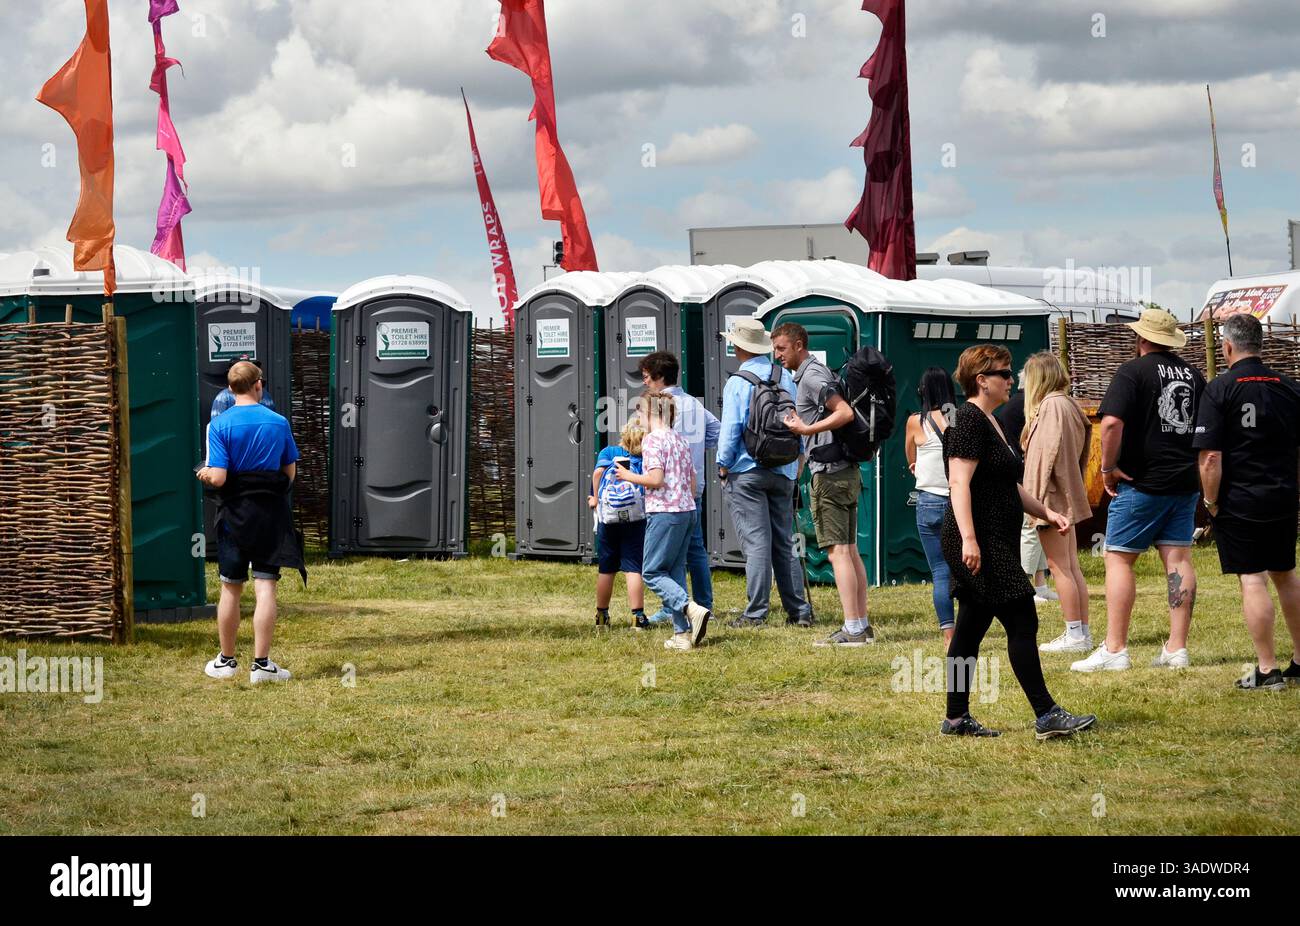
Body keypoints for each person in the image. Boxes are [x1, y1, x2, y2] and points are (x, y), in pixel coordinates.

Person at [940, 344, 1096, 740]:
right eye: (1004, 374)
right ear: (981, 380)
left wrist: (1047, 512)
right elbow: (958, 483)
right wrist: (970, 540)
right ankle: (1046, 715)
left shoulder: (991, 421)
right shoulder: (968, 421)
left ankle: (956, 719)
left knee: (970, 629)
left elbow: (1008, 484)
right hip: (979, 541)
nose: (1012, 381)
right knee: (1023, 617)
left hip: (995, 537)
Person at [1073, 308, 1205, 673]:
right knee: (1178, 560)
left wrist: (1107, 468)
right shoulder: (1194, 375)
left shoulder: (1132, 372)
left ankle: (1115, 648)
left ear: (1142, 338)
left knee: (1119, 558)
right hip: (1184, 482)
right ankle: (1177, 648)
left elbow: (1112, 422)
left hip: (1141, 482)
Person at [1192, 313, 1300, 690]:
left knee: (1252, 578)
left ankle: (1268, 670)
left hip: (1241, 500)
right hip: (1284, 496)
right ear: (1262, 344)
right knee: (1286, 575)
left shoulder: (1220, 389)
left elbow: (1210, 457)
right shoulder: (1289, 386)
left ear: (1226, 347)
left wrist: (1211, 501)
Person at [196, 360, 305, 684]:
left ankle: (227, 662)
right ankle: (262, 665)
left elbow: (218, 477)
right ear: (259, 385)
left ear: (230, 389)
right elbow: (289, 473)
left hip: (234, 514)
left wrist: (205, 474)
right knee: (265, 586)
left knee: (230, 588)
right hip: (270, 513)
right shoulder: (279, 422)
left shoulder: (220, 425)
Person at [772, 322, 872, 646]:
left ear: (799, 345)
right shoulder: (818, 372)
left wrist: (805, 431)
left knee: (837, 552)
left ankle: (853, 628)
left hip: (829, 475)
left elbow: (843, 413)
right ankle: (862, 624)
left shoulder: (812, 377)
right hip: (845, 472)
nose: (778, 356)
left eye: (782, 349)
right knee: (850, 551)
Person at [716, 318, 813, 628]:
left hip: (748, 470)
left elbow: (731, 429)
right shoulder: (785, 376)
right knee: (784, 542)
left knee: (757, 542)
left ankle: (756, 613)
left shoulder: (738, 381)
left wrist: (722, 463)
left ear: (739, 345)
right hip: (783, 469)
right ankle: (798, 611)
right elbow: (797, 418)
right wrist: (797, 460)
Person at [615, 391, 711, 651]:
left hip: (664, 513)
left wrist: (627, 476)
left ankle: (690, 608)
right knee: (675, 571)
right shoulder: (680, 439)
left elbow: (656, 479)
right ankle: (682, 634)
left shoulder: (652, 441)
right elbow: (692, 480)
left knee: (652, 572)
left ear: (651, 413)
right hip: (687, 511)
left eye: (639, 412)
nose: (637, 418)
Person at [638, 351, 719, 626]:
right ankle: (702, 605)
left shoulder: (661, 406)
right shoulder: (695, 404)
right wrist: (698, 450)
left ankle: (680, 606)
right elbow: (716, 431)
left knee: (666, 559)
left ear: (660, 377)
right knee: (694, 550)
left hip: (668, 495)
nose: (645, 383)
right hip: (692, 486)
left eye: (647, 377)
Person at [1021, 351, 1094, 654]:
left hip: (1050, 497)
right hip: (1066, 493)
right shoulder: (1068, 404)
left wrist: (1033, 503)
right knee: (1071, 567)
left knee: (1059, 568)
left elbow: (1043, 458)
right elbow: (1084, 446)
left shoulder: (1051, 406)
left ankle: (1074, 634)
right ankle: (1082, 632)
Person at [996, 370, 1057, 604]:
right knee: (1031, 528)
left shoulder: (1019, 404)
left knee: (1036, 527)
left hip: (1025, 474)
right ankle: (1026, 585)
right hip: (1025, 476)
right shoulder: (1024, 405)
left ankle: (1039, 584)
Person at [905, 367, 956, 644]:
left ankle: (949, 634)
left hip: (927, 502)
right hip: (956, 500)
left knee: (939, 571)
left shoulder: (916, 421)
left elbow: (910, 457)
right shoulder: (954, 416)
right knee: (964, 568)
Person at [590, 415, 649, 630]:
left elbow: (597, 474)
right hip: (635, 520)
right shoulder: (644, 458)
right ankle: (637, 617)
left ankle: (602, 616)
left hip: (609, 519)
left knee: (606, 569)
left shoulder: (609, 452)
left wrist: (595, 498)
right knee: (633, 567)